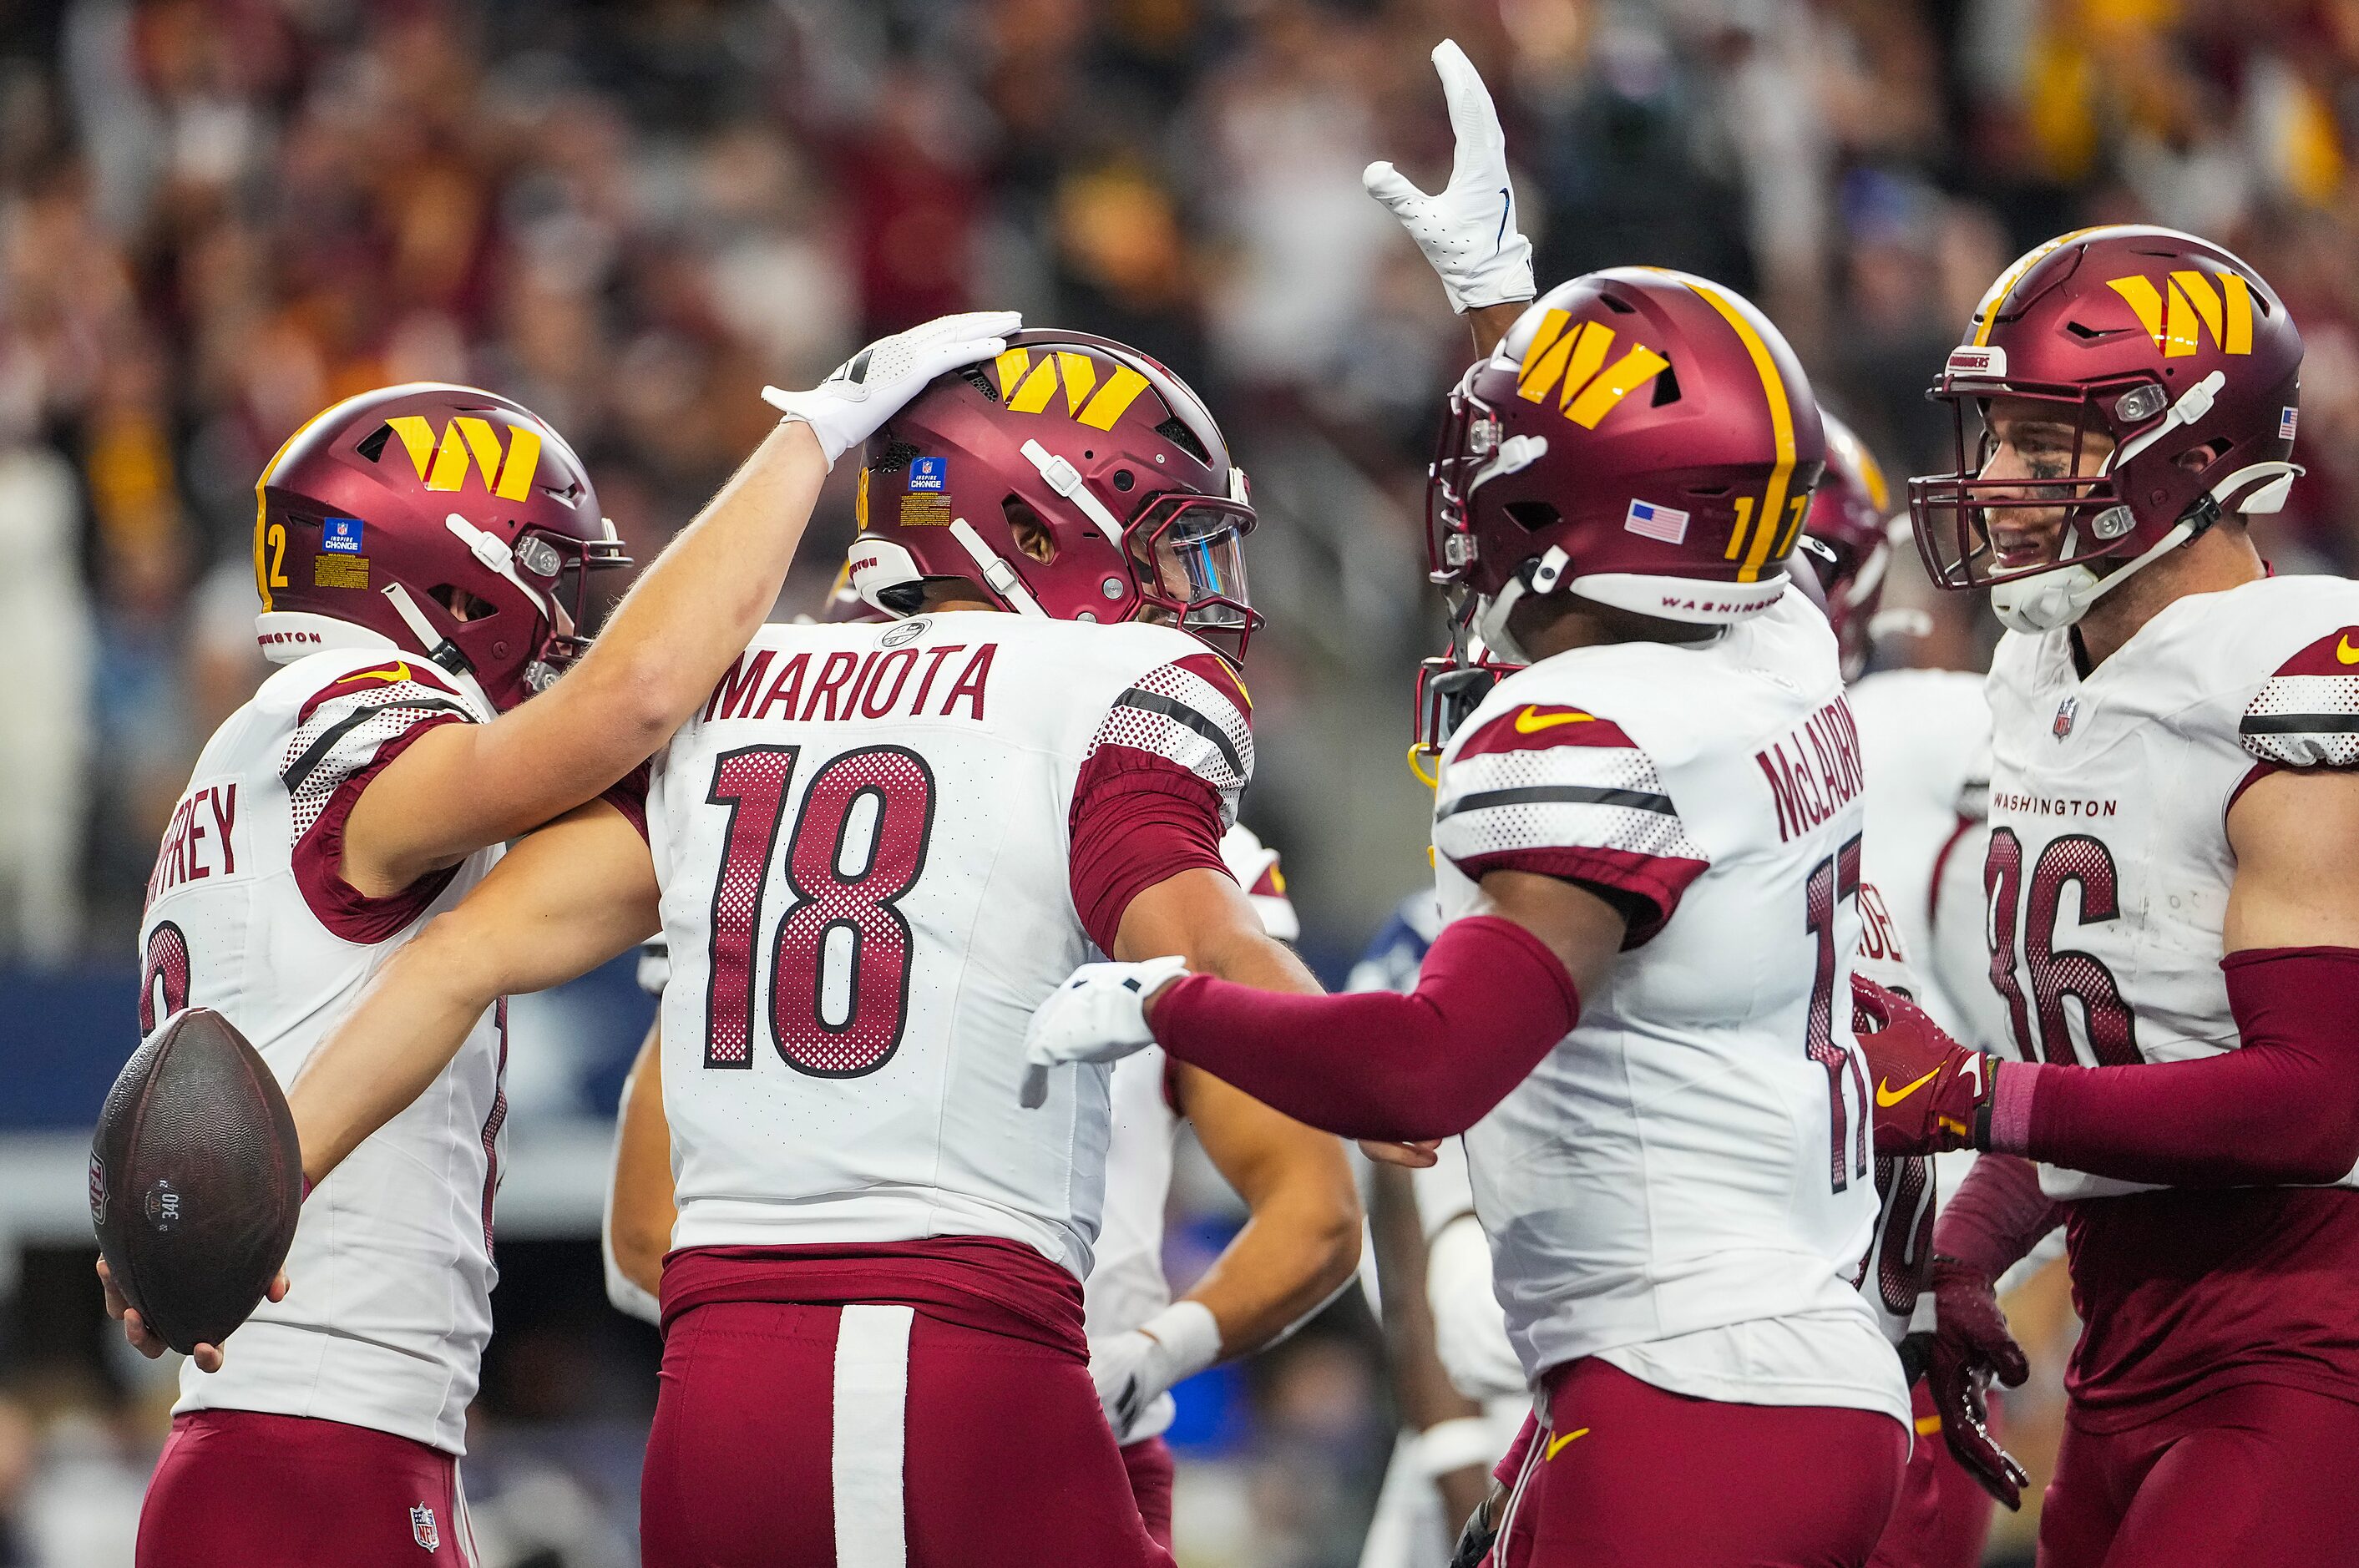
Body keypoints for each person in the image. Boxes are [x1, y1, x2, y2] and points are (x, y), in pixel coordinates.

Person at [277, 328, 1313, 1568]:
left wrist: (263, 1184)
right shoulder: (1101, 691)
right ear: (1036, 530)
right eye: (1162, 543)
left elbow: (460, 961)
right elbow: (1226, 979)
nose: (1183, 589)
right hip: (953, 1349)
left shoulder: (748, 679)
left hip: (725, 1376)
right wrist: (1390, 1049)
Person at [1026, 267, 1912, 1566]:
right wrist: (1514, 318)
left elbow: (1425, 1072)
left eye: (1507, 461)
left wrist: (1163, 1000)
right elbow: (1665, 510)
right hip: (1766, 1365)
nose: (1472, 493)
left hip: (1694, 1386)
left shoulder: (1598, 738)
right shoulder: (1775, 645)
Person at [110, 313, 1017, 1568]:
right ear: (459, 570)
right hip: (315, 1452)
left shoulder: (255, 762)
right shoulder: (340, 727)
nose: (564, 619)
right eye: (549, 572)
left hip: (300, 1444)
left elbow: (650, 812)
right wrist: (813, 432)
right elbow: (631, 702)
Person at [1862, 224, 2359, 1568]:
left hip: (2310, 1330)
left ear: (2193, 450)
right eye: (1995, 435)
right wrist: (1972, 1240)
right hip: (2122, 1340)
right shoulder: (2040, 667)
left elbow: (2310, 1098)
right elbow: (2115, 1056)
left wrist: (1971, 1097)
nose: (1999, 479)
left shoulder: (2293, 672)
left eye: (2044, 442)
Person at [601, 822, 1363, 1552]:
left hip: (774, 1422)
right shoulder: (1179, 849)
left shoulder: (753, 812)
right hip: (1042, 1420)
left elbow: (646, 1239)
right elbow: (1317, 1214)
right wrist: (1138, 1358)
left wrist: (825, 1357)